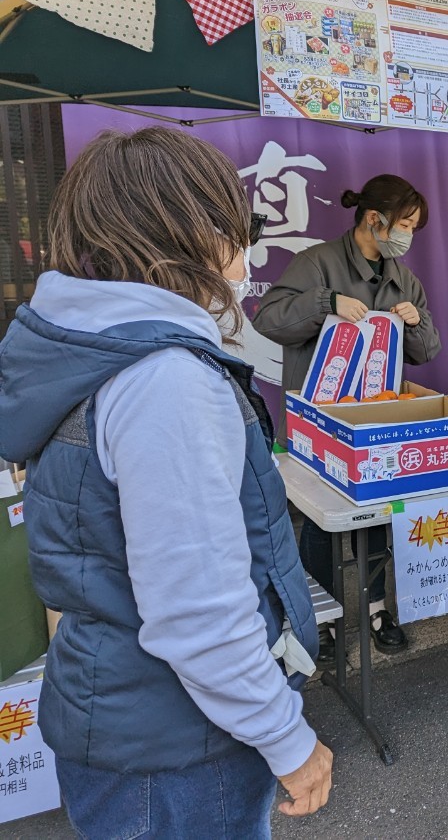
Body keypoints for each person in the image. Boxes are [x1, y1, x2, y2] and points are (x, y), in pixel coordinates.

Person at [0, 127, 332, 837]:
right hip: (178, 746)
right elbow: (198, 612)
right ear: (193, 233)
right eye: (234, 229)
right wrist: (288, 739)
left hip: (126, 720)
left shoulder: (92, 348)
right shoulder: (167, 380)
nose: (244, 256)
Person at [254, 174, 442, 659]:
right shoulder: (316, 263)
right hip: (320, 421)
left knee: (378, 513)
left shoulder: (404, 277)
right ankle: (325, 618)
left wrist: (416, 323)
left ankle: (378, 606)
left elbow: (428, 350)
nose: (407, 235)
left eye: (414, 227)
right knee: (319, 521)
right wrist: (325, 303)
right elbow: (268, 319)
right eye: (404, 224)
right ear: (373, 219)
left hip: (376, 419)